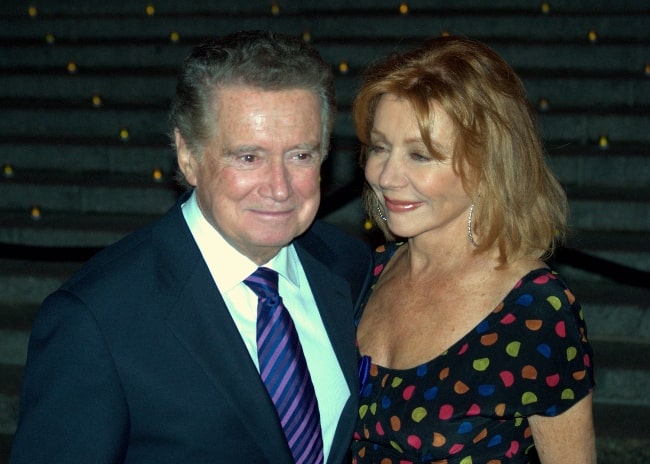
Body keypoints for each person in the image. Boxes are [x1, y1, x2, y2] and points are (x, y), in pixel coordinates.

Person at [10, 30, 373, 464]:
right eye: (248, 157)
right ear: (187, 155)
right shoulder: (95, 319)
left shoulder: (348, 268)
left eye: (301, 155)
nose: (280, 188)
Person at [350, 35, 596, 463]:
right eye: (380, 147)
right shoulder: (362, 275)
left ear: (487, 165)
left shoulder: (535, 309)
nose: (386, 175)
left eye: (420, 155)